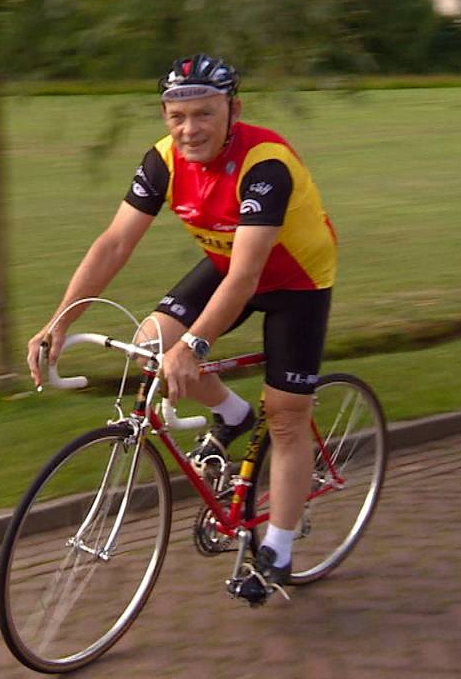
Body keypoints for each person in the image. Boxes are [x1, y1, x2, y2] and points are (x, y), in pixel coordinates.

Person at [26, 53, 337, 602]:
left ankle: (279, 552)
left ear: (232, 111)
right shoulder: (163, 162)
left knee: (287, 418)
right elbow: (114, 243)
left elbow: (248, 276)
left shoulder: (265, 165)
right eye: (176, 116)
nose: (189, 129)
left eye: (203, 114)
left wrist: (195, 344)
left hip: (294, 283)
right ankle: (231, 413)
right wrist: (59, 321)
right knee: (152, 346)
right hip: (225, 266)